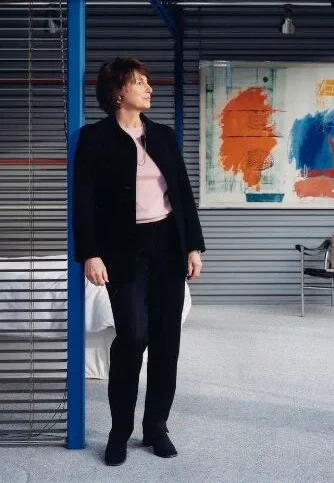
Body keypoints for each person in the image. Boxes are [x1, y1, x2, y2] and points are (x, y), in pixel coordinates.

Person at [73, 57, 205, 466]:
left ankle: (156, 427)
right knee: (132, 338)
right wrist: (90, 253)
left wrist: (193, 247)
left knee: (168, 341)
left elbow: (181, 194)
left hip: (166, 244)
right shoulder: (93, 139)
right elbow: (83, 201)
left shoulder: (163, 136)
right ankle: (119, 431)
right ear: (117, 92)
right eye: (140, 82)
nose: (149, 89)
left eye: (149, 82)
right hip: (122, 249)